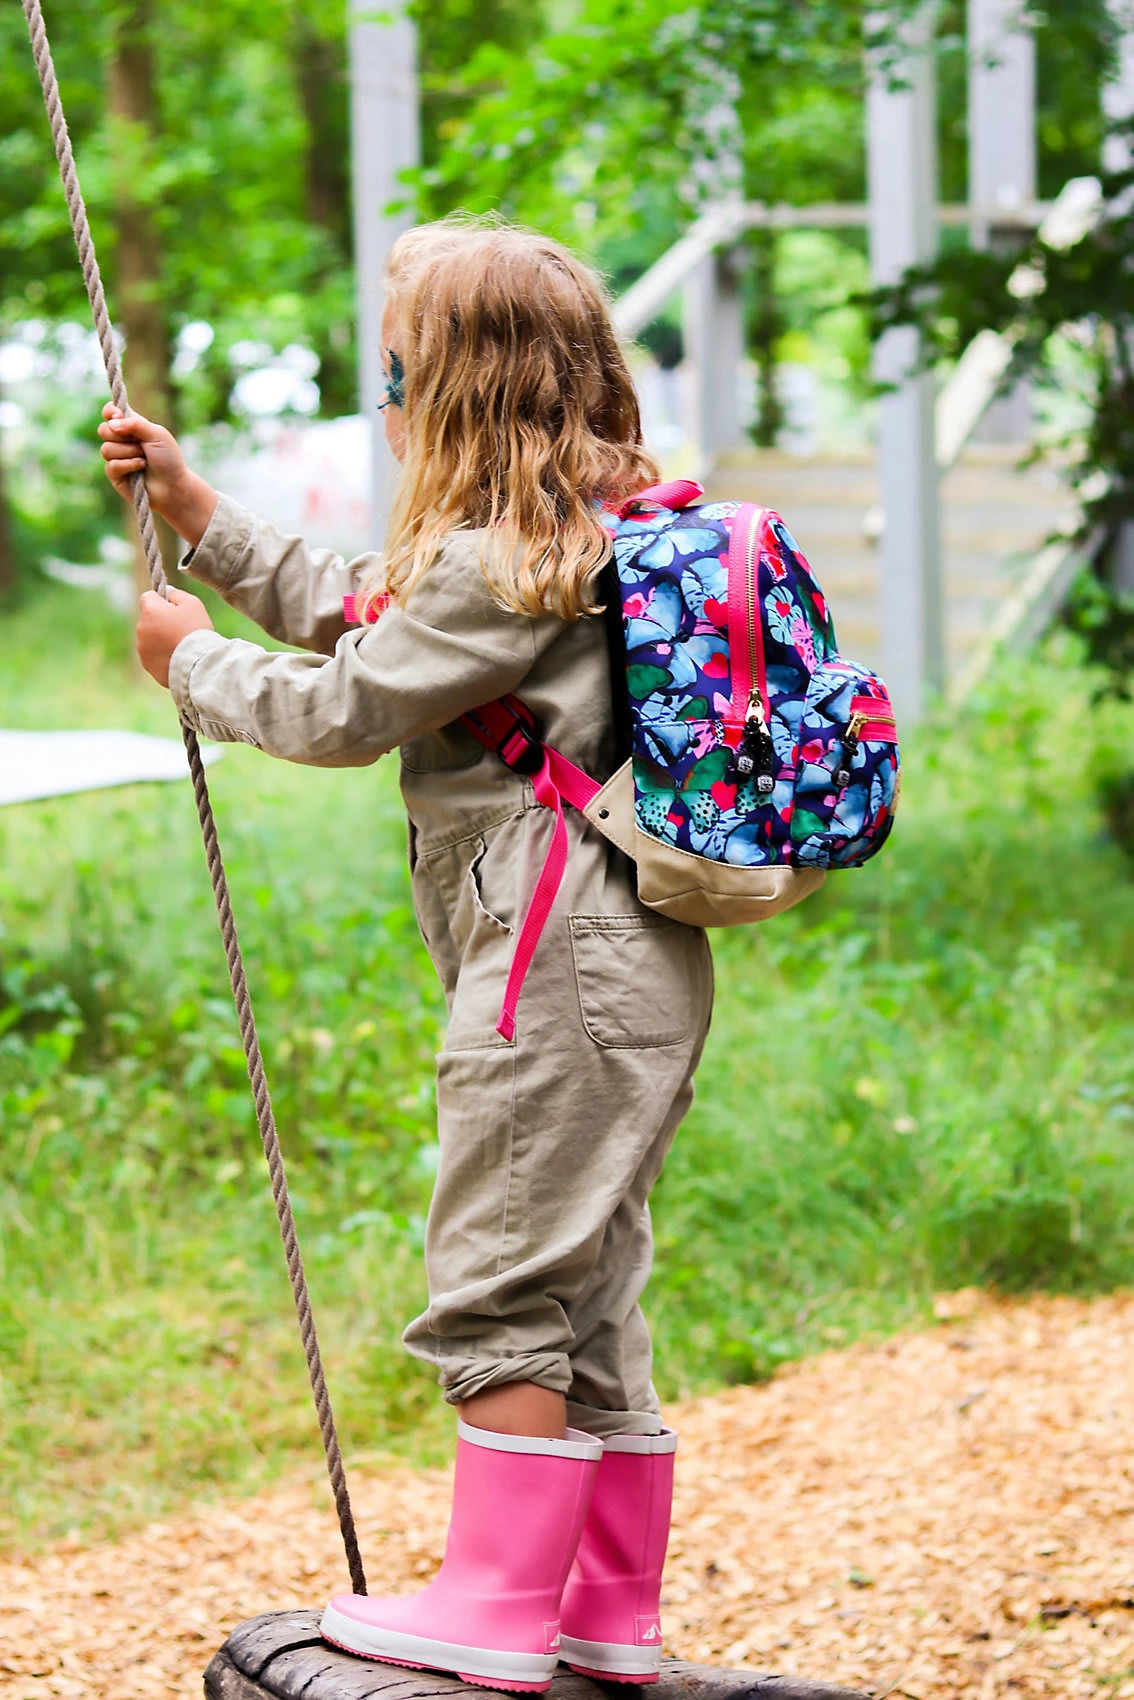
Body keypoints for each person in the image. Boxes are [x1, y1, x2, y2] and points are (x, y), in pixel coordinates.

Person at [99, 217, 714, 1692]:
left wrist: (189, 661)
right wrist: (200, 509)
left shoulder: (502, 566)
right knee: (588, 1286)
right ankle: (601, 1614)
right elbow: (365, 614)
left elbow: (340, 705)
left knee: (501, 1272)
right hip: (628, 963)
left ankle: (496, 1613)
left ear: (453, 391)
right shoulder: (575, 536)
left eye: (393, 368)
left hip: (551, 961)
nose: (382, 394)